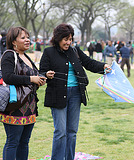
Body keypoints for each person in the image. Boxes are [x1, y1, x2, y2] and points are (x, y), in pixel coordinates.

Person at [39, 23, 110, 160]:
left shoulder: (75, 51)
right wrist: (46, 74)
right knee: (60, 131)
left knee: (72, 132)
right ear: (58, 38)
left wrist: (103, 66)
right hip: (57, 95)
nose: (68, 42)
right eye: (65, 39)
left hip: (76, 94)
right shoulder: (49, 52)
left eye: (70, 39)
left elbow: (89, 63)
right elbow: (41, 71)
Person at [0, 27, 46, 160]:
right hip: (14, 106)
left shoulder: (26, 56)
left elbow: (31, 74)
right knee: (13, 142)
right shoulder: (9, 55)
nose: (27, 40)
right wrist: (31, 79)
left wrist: (43, 76)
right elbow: (8, 77)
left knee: (24, 142)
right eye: (23, 38)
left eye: (28, 37)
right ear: (13, 42)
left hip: (30, 106)